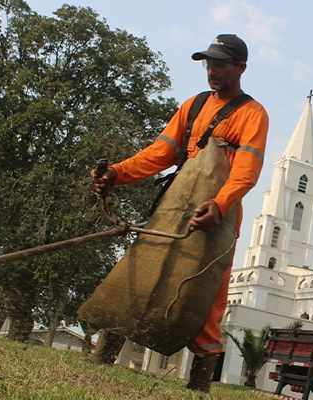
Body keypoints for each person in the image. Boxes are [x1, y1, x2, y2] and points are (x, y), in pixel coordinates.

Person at [91, 33, 268, 392]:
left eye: (220, 63)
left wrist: (219, 205)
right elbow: (159, 153)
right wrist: (116, 173)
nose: (212, 70)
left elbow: (246, 173)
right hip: (173, 208)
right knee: (139, 274)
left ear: (240, 67)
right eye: (208, 63)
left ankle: (199, 381)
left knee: (207, 294)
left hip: (217, 219)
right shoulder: (194, 105)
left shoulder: (253, 114)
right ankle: (104, 353)